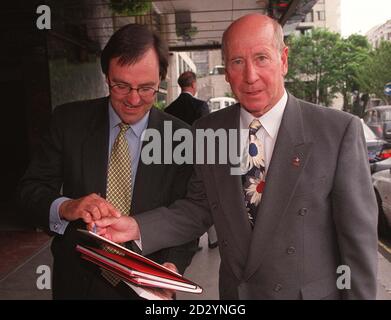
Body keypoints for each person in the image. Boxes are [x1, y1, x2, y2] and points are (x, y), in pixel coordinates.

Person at [93, 14, 378, 299]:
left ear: (284, 60)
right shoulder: (208, 131)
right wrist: (135, 226)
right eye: (237, 62)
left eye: (262, 58)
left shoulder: (337, 132)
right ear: (226, 71)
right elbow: (198, 208)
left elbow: (358, 246)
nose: (250, 76)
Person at [18, 24, 197, 299]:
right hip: (77, 284)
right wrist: (66, 206)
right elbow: (30, 193)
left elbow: (187, 214)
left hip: (148, 287)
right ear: (106, 76)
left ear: (161, 79)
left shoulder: (181, 137)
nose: (134, 99)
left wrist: (170, 269)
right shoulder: (68, 122)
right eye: (121, 86)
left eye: (147, 88)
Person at [165, 71, 217, 250]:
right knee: (204, 198)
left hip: (175, 162)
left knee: (182, 200)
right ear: (193, 85)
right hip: (197, 161)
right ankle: (212, 239)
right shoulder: (201, 106)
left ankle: (189, 242)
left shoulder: (169, 109)